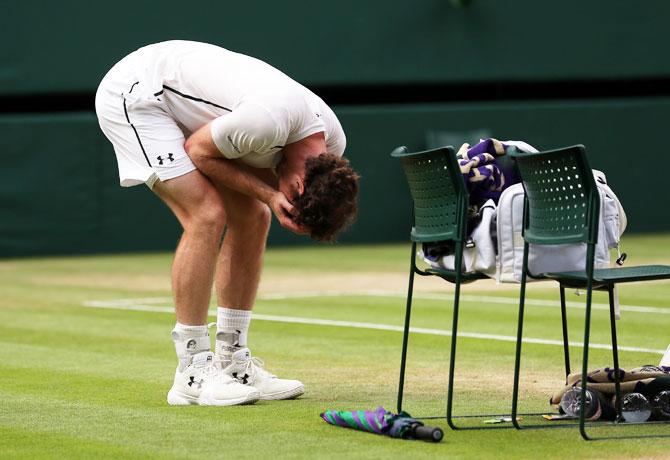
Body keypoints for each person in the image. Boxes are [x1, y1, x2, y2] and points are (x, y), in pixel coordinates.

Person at [95, 40, 359, 406]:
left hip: (196, 110)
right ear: (300, 184)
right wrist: (270, 194)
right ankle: (191, 371)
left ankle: (233, 361)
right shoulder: (264, 126)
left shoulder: (332, 142)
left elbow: (257, 183)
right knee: (205, 215)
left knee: (253, 218)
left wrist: (270, 199)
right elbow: (198, 151)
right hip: (140, 94)